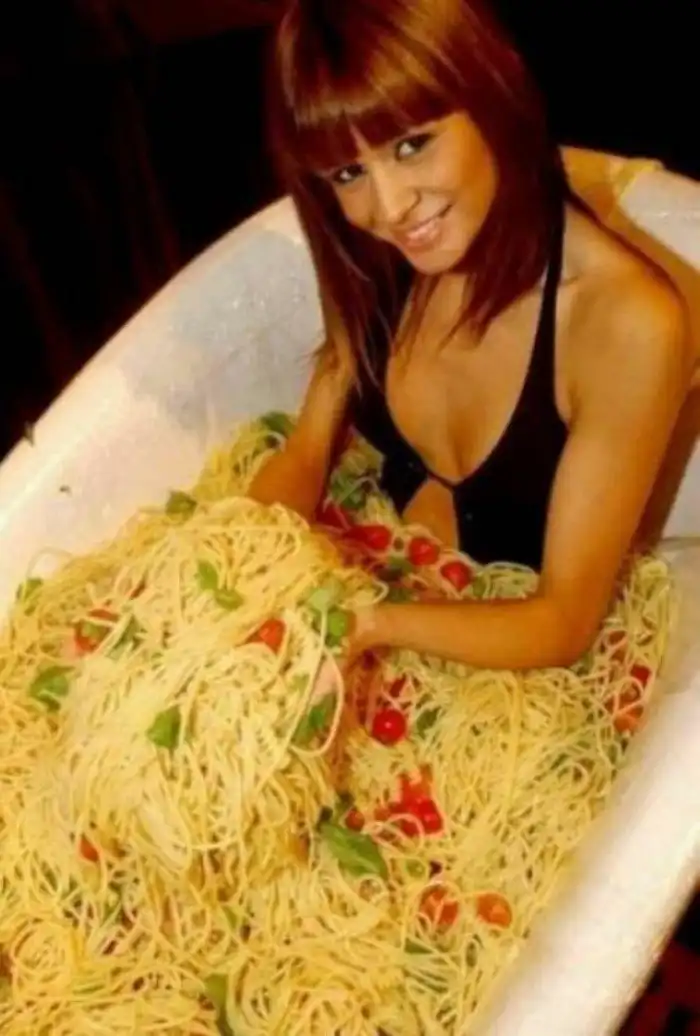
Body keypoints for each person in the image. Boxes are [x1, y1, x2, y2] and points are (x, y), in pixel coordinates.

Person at [250, 0, 694, 671]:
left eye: (411, 144)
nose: (390, 207)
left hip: (518, 668)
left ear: (490, 97)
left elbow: (563, 622)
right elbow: (307, 454)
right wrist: (244, 569)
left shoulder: (627, 322)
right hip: (373, 579)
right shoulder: (376, 250)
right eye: (348, 173)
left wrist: (363, 626)